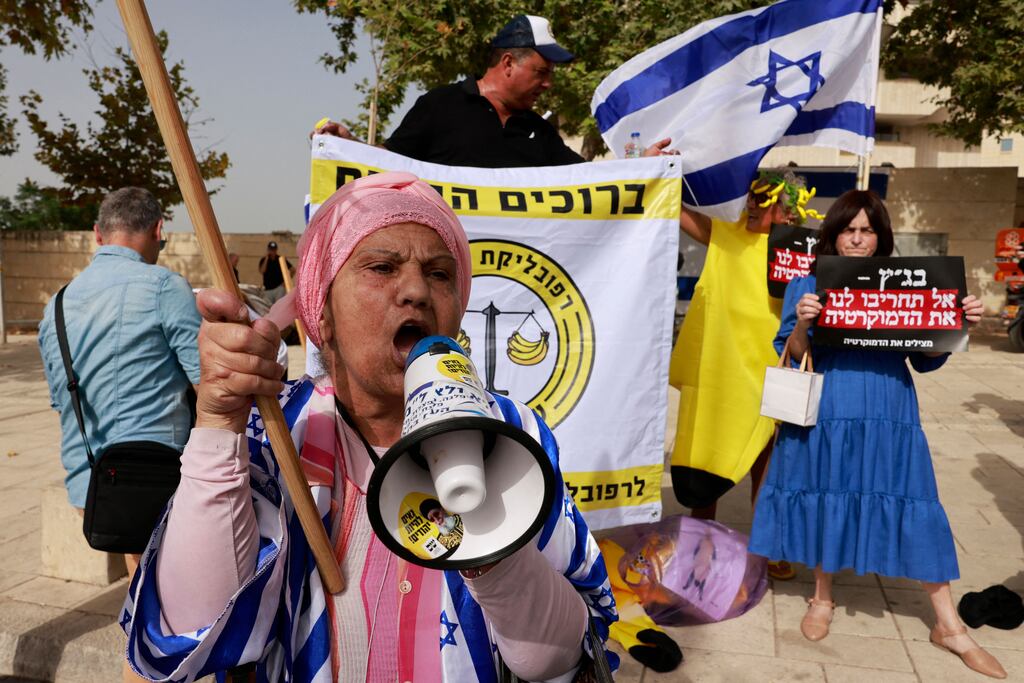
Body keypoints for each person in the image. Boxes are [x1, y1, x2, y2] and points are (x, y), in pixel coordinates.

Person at [121, 172, 617, 682]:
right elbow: (188, 631)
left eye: (440, 274)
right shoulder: (272, 431)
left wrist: (488, 539)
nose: (417, 291)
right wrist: (219, 421)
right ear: (323, 311)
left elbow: (557, 659)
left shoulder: (513, 433)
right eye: (381, 267)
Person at [748, 190, 1006, 679]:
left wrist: (955, 323)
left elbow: (926, 360)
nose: (857, 239)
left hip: (890, 408)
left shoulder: (904, 284)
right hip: (828, 406)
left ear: (880, 236)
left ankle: (948, 624)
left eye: (867, 230)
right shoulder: (808, 281)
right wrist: (803, 321)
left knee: (916, 501)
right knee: (828, 494)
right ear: (834, 234)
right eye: (849, 230)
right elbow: (791, 349)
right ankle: (821, 597)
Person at [37, 186, 200, 683]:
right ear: (158, 232)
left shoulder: (57, 306)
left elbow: (59, 400)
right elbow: (209, 384)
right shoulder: (163, 287)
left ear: (97, 234)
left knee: (146, 595)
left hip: (93, 488)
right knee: (165, 621)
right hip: (160, 486)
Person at [314, 14, 671, 167]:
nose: (548, 84)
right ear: (507, 63)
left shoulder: (540, 132)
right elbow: (388, 164)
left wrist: (642, 169)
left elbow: (586, 181)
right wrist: (350, 147)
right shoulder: (439, 106)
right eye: (541, 72)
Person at [669, 171, 811, 514]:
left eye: (764, 199)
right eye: (751, 196)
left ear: (788, 211)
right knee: (707, 462)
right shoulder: (725, 233)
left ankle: (764, 554)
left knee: (766, 466)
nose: (753, 204)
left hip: (771, 371)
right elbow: (675, 208)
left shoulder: (800, 251)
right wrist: (662, 171)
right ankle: (700, 546)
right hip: (721, 374)